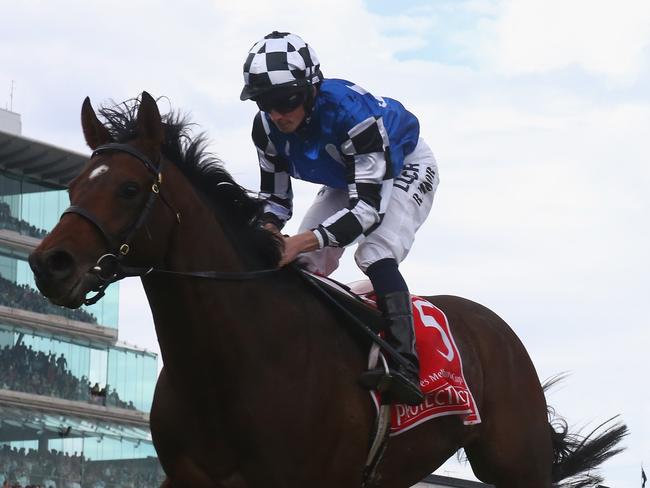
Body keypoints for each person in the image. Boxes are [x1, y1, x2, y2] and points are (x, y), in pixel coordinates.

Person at [240, 31, 439, 406]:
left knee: (374, 252)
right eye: (266, 103)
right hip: (346, 174)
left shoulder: (352, 116)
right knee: (304, 260)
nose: (278, 113)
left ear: (312, 88)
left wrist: (301, 239)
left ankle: (404, 363)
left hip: (403, 165)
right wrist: (267, 233)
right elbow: (276, 201)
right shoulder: (264, 129)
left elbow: (366, 211)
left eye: (287, 100)